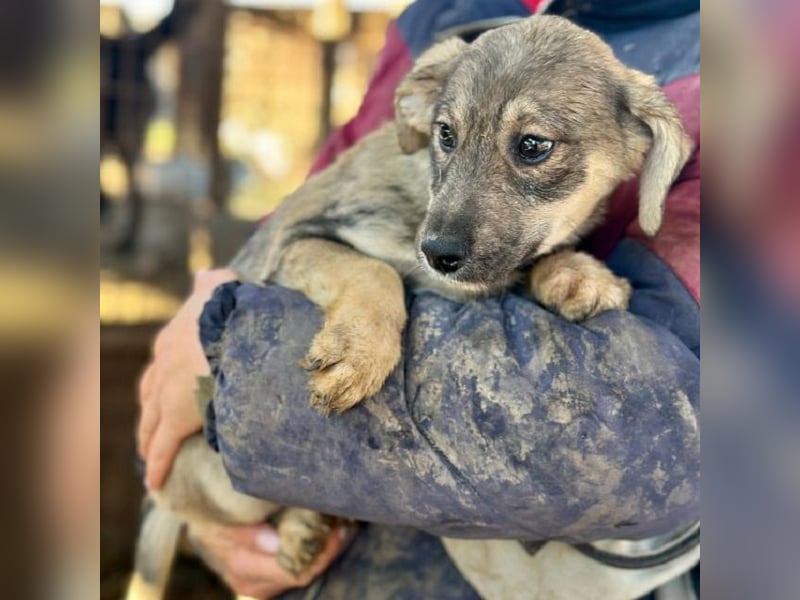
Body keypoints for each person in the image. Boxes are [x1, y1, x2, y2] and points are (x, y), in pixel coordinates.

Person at [138, 1, 700, 597]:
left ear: (646, 142)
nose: (446, 225)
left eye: (532, 147)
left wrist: (551, 267)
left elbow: (644, 426)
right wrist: (226, 332)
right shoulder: (438, 16)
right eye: (447, 135)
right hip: (241, 477)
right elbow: (289, 241)